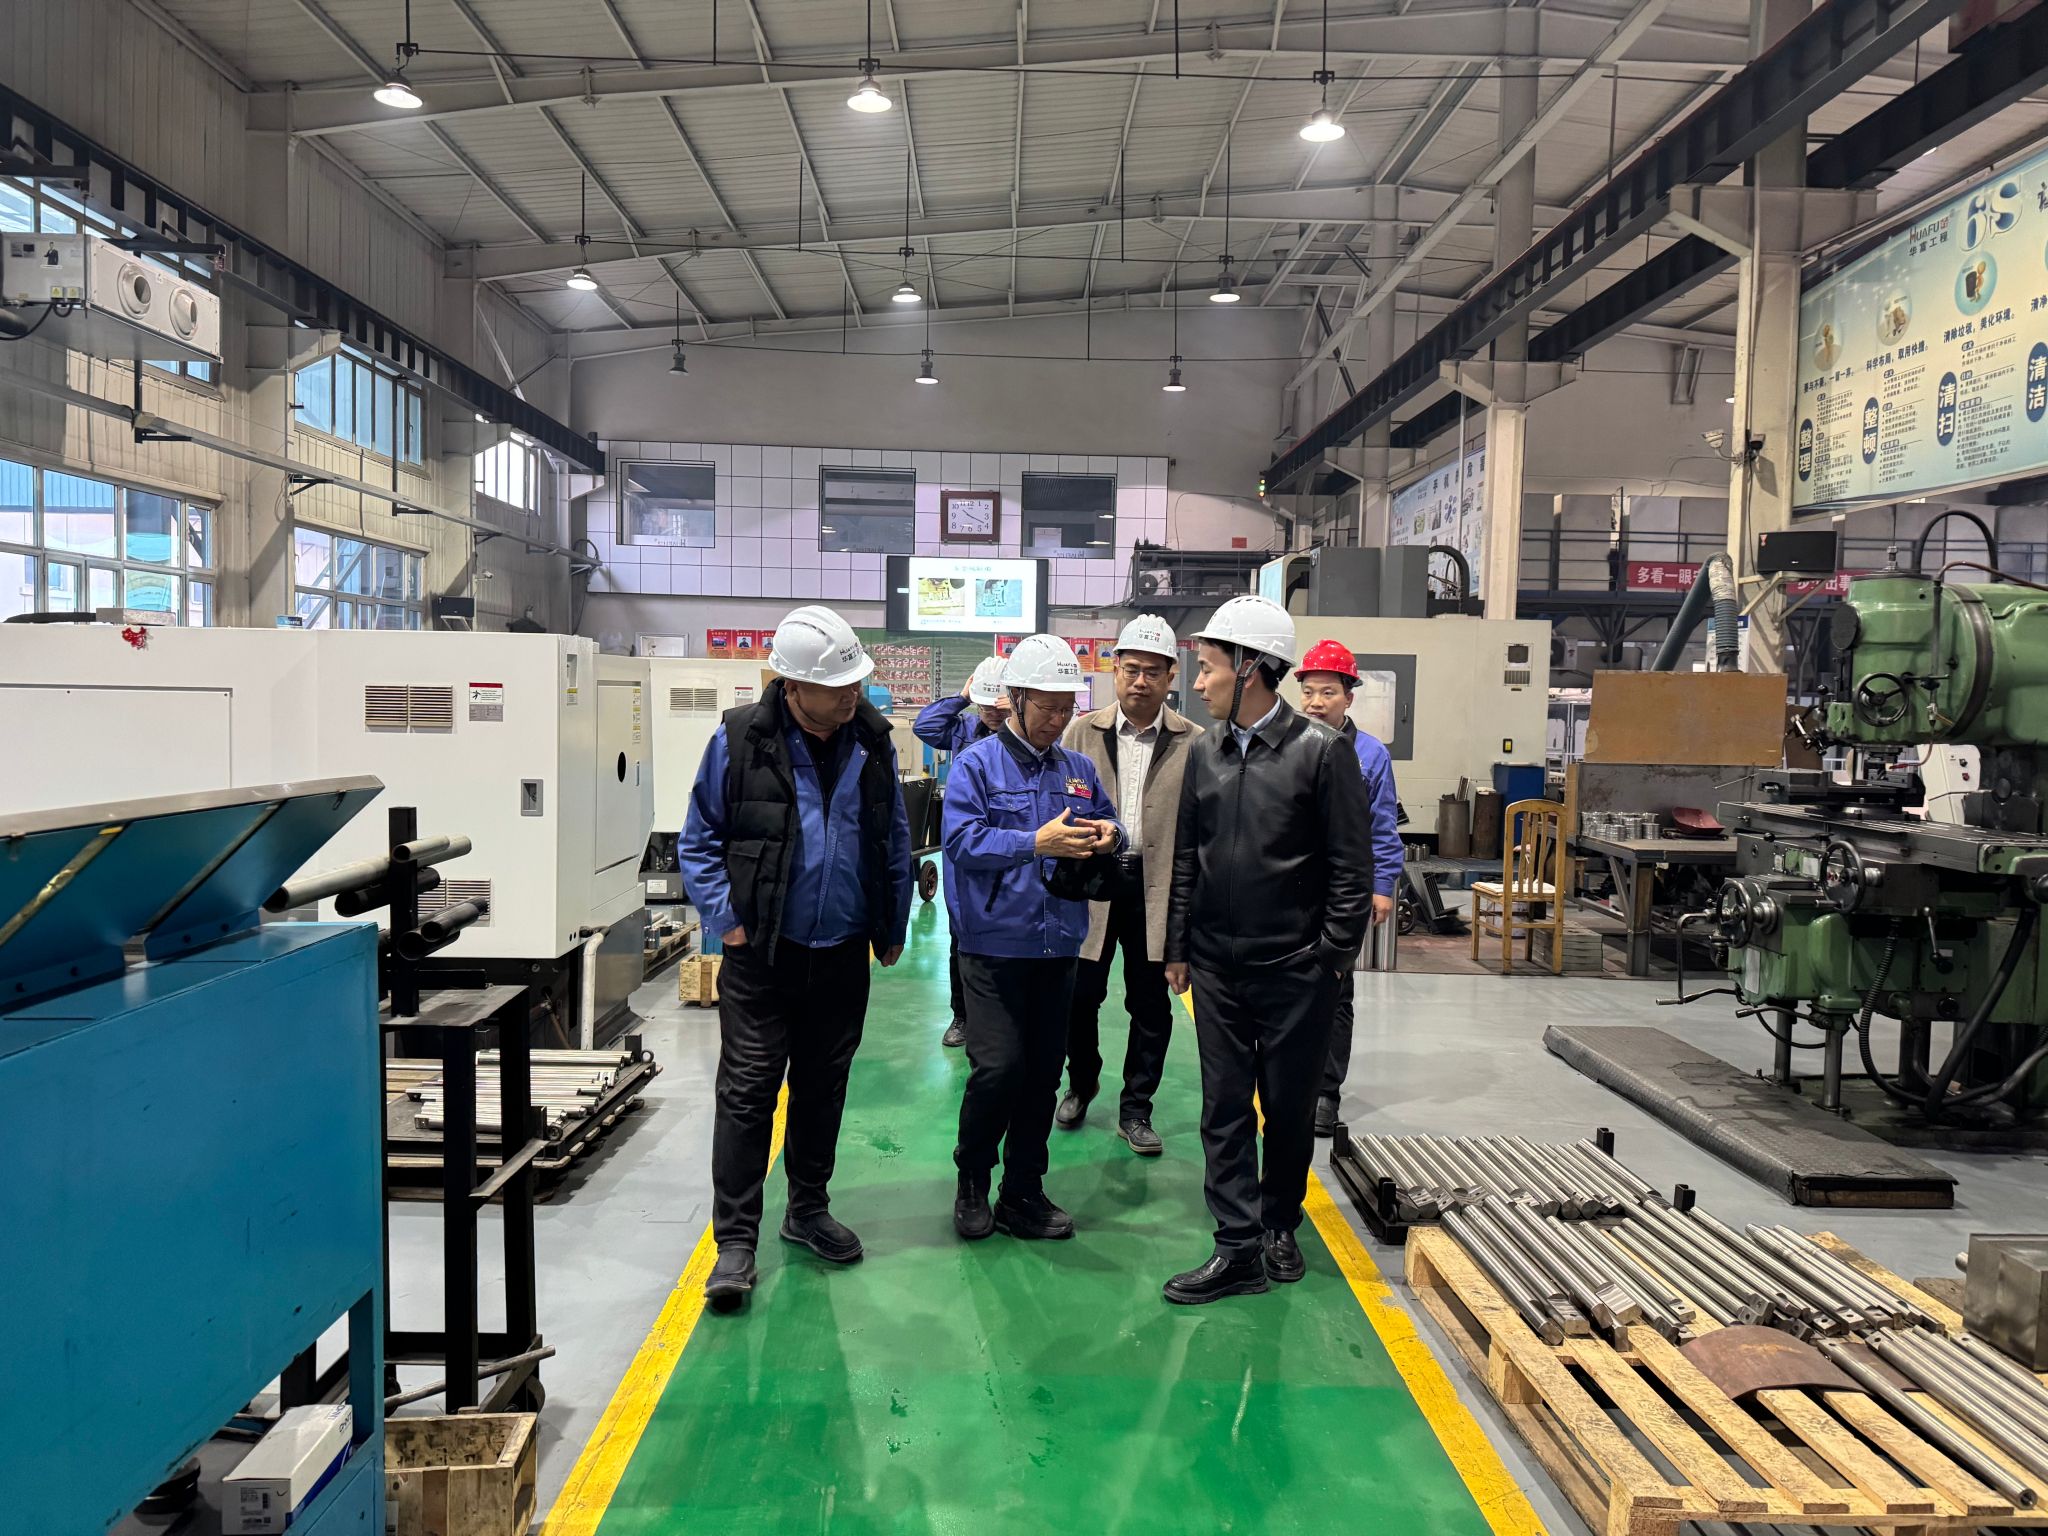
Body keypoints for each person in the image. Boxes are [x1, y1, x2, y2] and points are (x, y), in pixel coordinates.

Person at [679, 605, 913, 1314]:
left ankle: (807, 1209)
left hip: (841, 952)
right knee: (748, 1094)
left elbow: (893, 838)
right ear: (792, 685)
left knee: (822, 1087)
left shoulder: (872, 741)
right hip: (763, 955)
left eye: (855, 683)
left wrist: (892, 922)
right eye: (838, 687)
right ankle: (735, 1243)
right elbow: (699, 839)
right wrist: (727, 924)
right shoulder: (738, 740)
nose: (852, 695)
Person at [1162, 595, 1373, 1305]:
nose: (1199, 682)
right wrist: (1179, 945)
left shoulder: (1323, 752)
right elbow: (1186, 856)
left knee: (1287, 1108)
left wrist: (1329, 960)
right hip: (1217, 969)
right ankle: (1236, 1245)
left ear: (1250, 667)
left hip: (1295, 969)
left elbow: (1352, 868)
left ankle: (1281, 1223)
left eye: (1209, 667)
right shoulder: (1204, 751)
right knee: (1223, 1107)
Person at [943, 634, 1122, 1243]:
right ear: (1016, 698)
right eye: (1046, 706)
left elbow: (1111, 822)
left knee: (1044, 1073)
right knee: (998, 1069)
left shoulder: (1078, 769)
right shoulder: (976, 765)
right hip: (994, 946)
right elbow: (961, 843)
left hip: (1059, 946)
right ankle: (973, 1179)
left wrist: (1110, 835)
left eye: (1067, 707)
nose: (1057, 718)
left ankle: (1022, 1189)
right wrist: (1033, 843)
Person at [1056, 615, 1196, 1157]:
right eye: (1131, 669)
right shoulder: (1080, 733)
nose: (1140, 681)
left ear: (1171, 676)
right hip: (1092, 882)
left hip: (1155, 887)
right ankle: (1082, 1082)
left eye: (1152, 672)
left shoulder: (1193, 742)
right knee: (1079, 994)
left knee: (1150, 1003)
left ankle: (1136, 1109)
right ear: (1114, 669)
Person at [1295, 640, 1404, 1138]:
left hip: (1344, 892)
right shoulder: (1288, 745)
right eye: (1309, 692)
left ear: (1349, 697)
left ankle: (1325, 1092)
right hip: (1290, 887)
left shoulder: (1371, 755)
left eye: (1328, 693)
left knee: (1335, 992)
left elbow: (1382, 825)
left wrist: (1382, 885)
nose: (1316, 702)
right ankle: (1286, 1082)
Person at [914, 656, 1012, 1050]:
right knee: (961, 933)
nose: (991, 712)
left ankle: (1006, 1015)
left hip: (1008, 845)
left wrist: (1014, 712)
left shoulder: (1023, 736)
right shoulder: (964, 729)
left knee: (1008, 932)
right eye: (985, 703)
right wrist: (961, 698)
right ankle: (962, 1016)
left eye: (998, 704)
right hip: (965, 848)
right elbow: (925, 726)